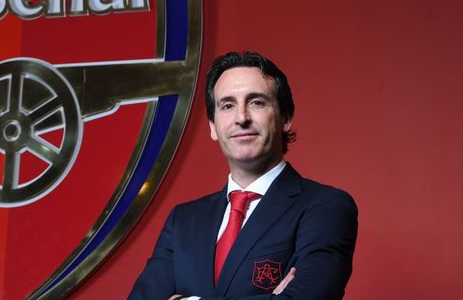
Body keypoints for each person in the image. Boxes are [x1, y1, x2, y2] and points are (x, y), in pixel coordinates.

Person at [129, 51, 358, 299]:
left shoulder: (326, 206)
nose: (241, 118)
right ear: (213, 127)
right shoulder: (183, 220)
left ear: (286, 118)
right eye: (227, 105)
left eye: (257, 102)